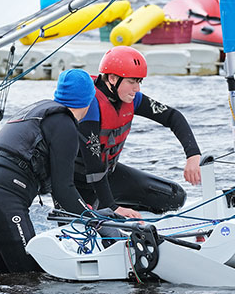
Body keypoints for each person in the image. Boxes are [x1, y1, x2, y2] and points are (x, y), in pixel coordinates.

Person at [0, 69, 103, 273]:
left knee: (5, 283)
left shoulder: (38, 111)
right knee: (31, 278)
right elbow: (63, 190)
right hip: (5, 204)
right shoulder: (64, 124)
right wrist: (97, 221)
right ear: (89, 100)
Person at [75, 46, 202, 219]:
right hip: (79, 183)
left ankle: (125, 209)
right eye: (132, 82)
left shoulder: (132, 99)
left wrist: (193, 155)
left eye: (139, 82)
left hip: (107, 175)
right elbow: (93, 167)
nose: (137, 89)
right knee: (97, 224)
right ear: (112, 78)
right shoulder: (90, 105)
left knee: (174, 197)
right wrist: (112, 207)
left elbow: (173, 116)